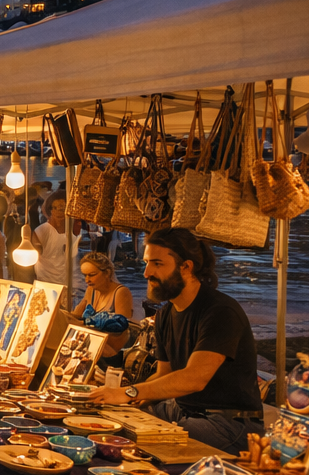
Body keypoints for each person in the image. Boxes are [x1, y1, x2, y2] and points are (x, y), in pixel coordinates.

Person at [88, 228, 264, 454]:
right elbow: (164, 374)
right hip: (181, 409)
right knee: (111, 426)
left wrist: (130, 392)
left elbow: (194, 379)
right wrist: (128, 398)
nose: (146, 273)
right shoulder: (165, 315)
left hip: (229, 422)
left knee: (146, 446)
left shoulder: (220, 311)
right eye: (146, 263)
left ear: (186, 267)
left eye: (157, 264)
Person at [73, 251, 135, 364]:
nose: (87, 280)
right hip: (94, 346)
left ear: (106, 273)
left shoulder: (121, 292)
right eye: (84, 275)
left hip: (114, 352)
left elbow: (122, 332)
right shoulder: (91, 290)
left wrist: (89, 329)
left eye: (91, 275)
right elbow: (76, 315)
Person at [33, 193, 79, 303]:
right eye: (56, 208)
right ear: (50, 210)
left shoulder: (72, 230)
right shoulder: (42, 231)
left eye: (63, 208)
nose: (60, 211)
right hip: (46, 285)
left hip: (68, 285)